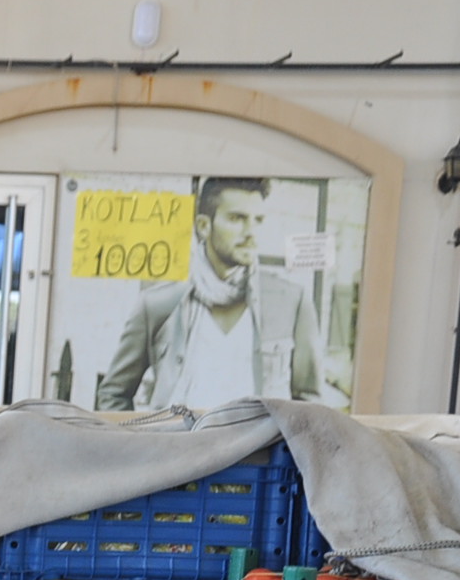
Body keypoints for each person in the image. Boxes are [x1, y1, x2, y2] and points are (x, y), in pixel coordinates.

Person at [95, 176, 321, 411]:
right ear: (204, 226)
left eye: (258, 220)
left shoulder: (292, 301)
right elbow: (114, 394)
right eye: (237, 219)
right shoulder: (157, 304)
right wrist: (139, 446)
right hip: (178, 445)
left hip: (256, 447)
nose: (251, 232)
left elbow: (310, 406)